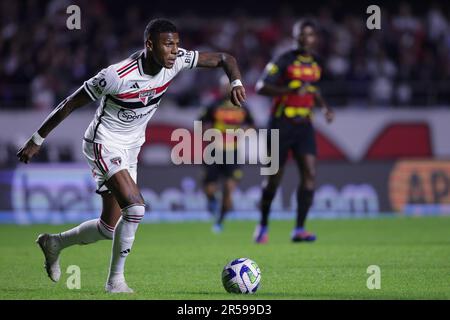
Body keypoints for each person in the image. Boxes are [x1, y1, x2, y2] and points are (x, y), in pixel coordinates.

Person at [16, 19, 246, 293]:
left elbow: (224, 58)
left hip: (131, 147)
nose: (175, 50)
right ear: (150, 44)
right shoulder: (116, 75)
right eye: (168, 44)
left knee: (107, 228)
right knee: (135, 208)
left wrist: (236, 81)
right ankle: (115, 282)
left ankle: (54, 243)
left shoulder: (179, 61)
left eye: (177, 44)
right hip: (103, 143)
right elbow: (69, 103)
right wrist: (37, 139)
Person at [253, 19, 334, 244]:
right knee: (273, 180)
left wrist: (325, 107)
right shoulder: (283, 59)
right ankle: (262, 225)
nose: (304, 38)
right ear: (295, 37)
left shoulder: (317, 62)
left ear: (314, 38)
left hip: (304, 125)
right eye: (300, 34)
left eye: (309, 34)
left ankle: (299, 229)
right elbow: (261, 87)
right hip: (280, 124)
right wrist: (289, 89)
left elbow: (313, 89)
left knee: (310, 174)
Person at [198, 75, 254, 233]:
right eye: (224, 86)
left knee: (229, 188)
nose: (227, 89)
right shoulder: (213, 105)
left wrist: (244, 130)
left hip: (233, 152)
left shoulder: (242, 107)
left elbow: (251, 125)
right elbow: (201, 123)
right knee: (209, 188)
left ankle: (220, 221)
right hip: (214, 150)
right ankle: (212, 202)